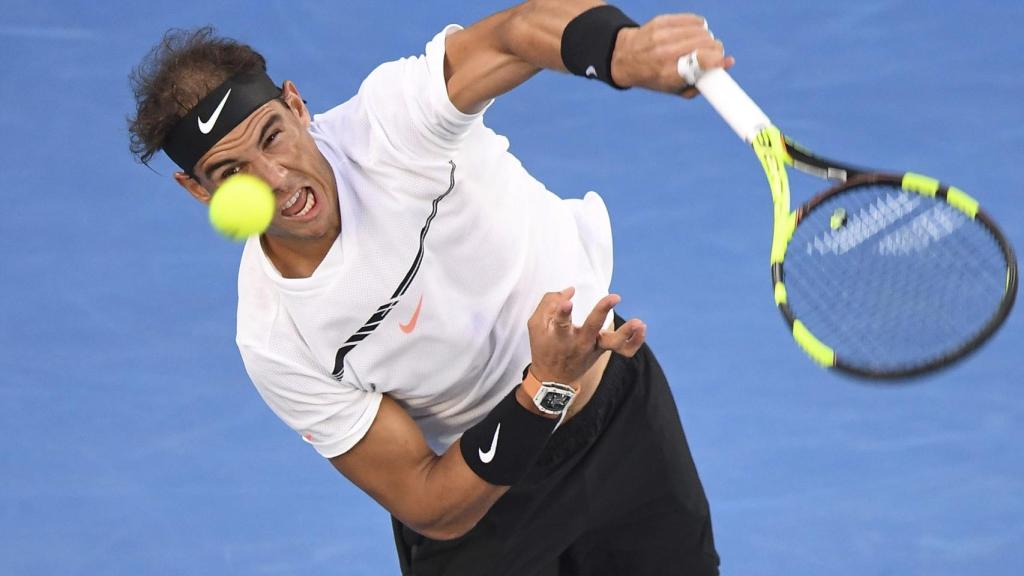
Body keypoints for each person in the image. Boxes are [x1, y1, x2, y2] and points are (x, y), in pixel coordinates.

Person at [128, 2, 731, 574]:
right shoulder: (277, 338)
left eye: (272, 135)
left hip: (622, 424)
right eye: (232, 174)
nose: (277, 178)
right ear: (199, 190)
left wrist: (621, 49)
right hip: (487, 501)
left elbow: (515, 32)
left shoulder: (393, 125)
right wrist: (545, 386)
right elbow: (428, 499)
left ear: (296, 104)